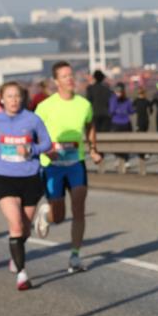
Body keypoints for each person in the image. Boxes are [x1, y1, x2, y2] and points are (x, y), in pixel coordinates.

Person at [0, 82, 52, 290]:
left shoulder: (33, 119)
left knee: (24, 229)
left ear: (22, 98)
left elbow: (47, 143)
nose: (14, 100)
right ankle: (22, 274)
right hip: (4, 177)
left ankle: (16, 255)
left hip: (30, 178)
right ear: (2, 99)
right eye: (9, 96)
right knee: (16, 225)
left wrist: (30, 149)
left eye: (17, 96)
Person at [33, 61, 104, 271]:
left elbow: (90, 125)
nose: (70, 79)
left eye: (71, 75)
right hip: (52, 165)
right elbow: (33, 132)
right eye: (64, 76)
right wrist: (44, 149)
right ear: (56, 81)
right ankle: (46, 214)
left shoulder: (84, 104)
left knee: (79, 207)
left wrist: (93, 149)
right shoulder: (45, 107)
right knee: (59, 217)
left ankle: (75, 255)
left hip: (75, 163)